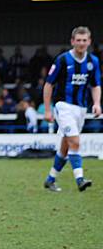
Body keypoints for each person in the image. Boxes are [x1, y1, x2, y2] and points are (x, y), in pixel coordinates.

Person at [43, 26, 101, 192]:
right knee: (75, 141)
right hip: (63, 106)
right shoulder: (62, 60)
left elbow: (96, 85)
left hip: (81, 109)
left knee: (66, 146)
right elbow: (48, 84)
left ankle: (50, 179)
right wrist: (48, 110)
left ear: (89, 42)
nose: (81, 43)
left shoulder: (93, 61)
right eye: (78, 40)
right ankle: (80, 180)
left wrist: (97, 103)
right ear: (72, 41)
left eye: (84, 40)